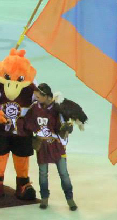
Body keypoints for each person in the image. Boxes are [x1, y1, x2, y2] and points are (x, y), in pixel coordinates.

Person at [23, 83, 78, 211]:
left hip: (57, 146)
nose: (36, 98)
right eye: (35, 96)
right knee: (43, 173)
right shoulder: (34, 108)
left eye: (38, 96)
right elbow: (27, 122)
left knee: (63, 173)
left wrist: (66, 129)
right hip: (42, 145)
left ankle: (70, 199)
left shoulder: (58, 110)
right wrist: (36, 132)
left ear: (46, 96)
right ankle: (44, 198)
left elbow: (63, 128)